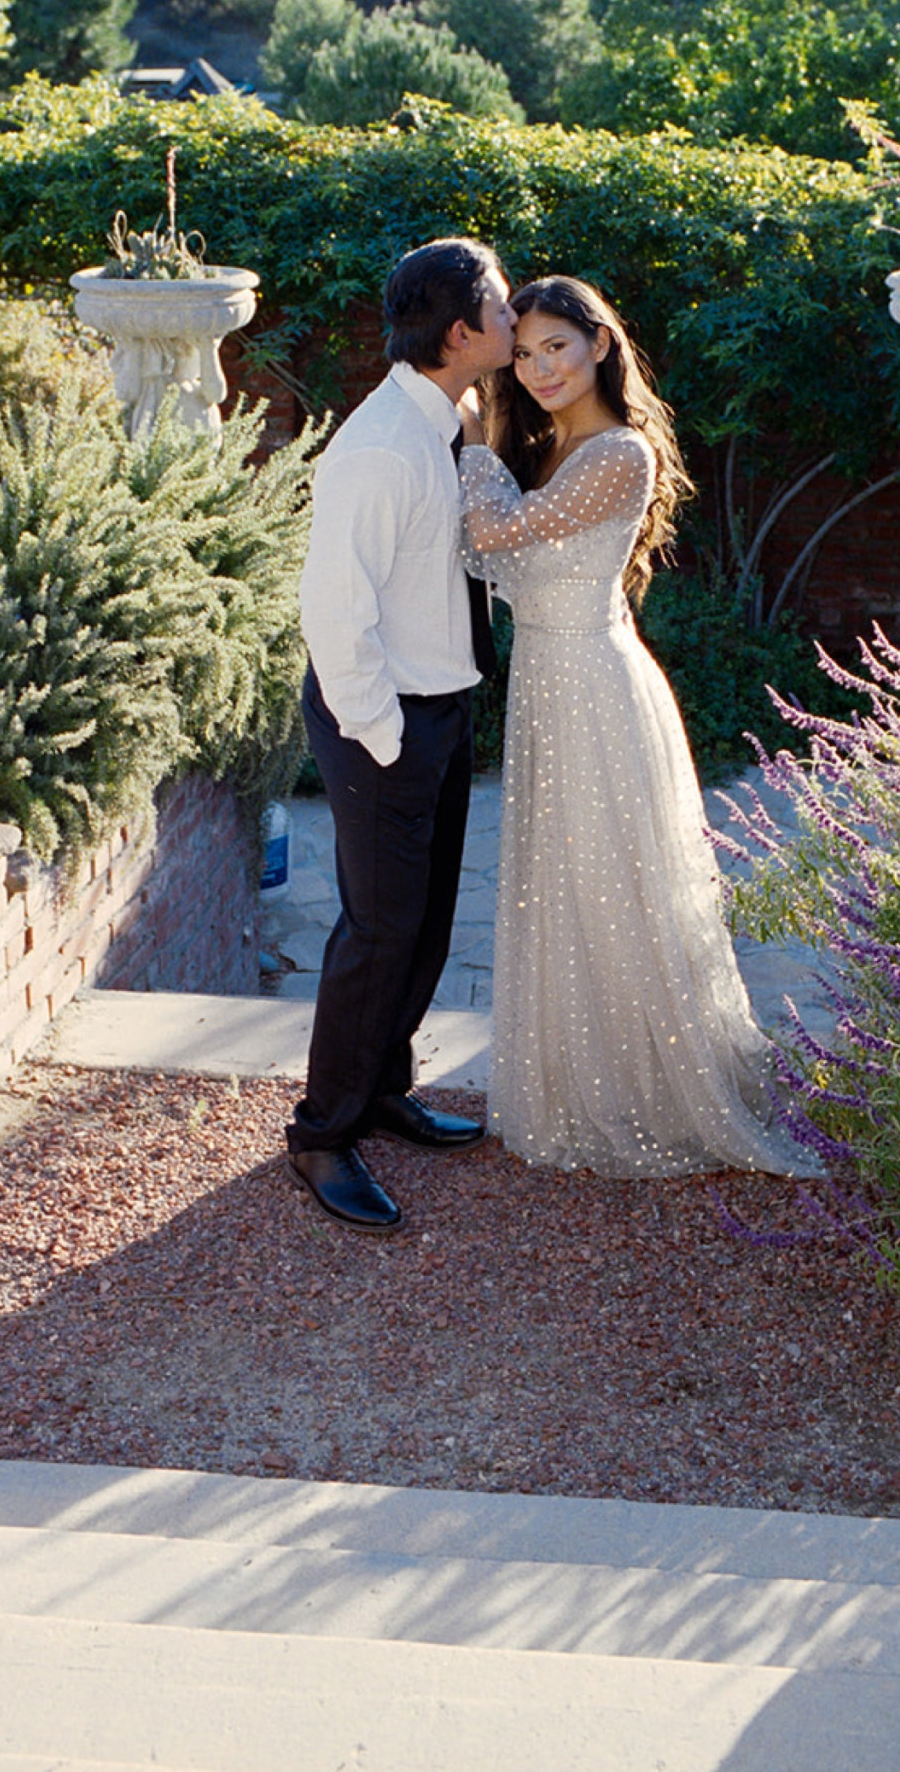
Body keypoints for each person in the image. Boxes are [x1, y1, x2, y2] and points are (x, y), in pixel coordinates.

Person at [458, 275, 807, 1177]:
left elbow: (495, 534)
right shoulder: (545, 445)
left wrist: (473, 445)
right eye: (523, 354)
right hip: (547, 684)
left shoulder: (619, 453)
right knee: (562, 884)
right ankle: (581, 1080)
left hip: (596, 688)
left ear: (600, 345)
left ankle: (651, 1090)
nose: (539, 369)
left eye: (556, 347)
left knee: (612, 882)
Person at [290, 236, 517, 1231]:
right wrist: (385, 739)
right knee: (378, 929)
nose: (515, 319)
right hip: (382, 719)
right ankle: (321, 1134)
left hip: (438, 705)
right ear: (460, 333)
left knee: (421, 925)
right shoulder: (381, 447)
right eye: (501, 308)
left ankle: (382, 1091)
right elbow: (334, 614)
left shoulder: (443, 420)